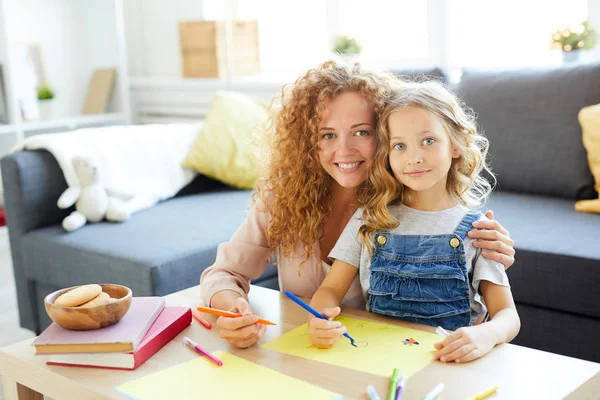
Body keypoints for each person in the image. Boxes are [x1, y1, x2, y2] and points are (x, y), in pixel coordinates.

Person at [200, 61, 516, 349]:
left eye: (361, 132)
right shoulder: (285, 197)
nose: (344, 150)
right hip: (316, 352)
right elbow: (225, 273)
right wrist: (232, 311)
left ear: (384, 136)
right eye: (327, 135)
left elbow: (498, 306)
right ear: (309, 142)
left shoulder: (402, 205)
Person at [308, 81, 520, 363]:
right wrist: (320, 318)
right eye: (400, 146)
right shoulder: (370, 218)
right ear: (388, 156)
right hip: (378, 359)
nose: (415, 157)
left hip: (450, 363)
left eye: (428, 141)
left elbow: (508, 316)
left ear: (456, 145)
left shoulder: (478, 229)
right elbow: (330, 290)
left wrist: (488, 335)